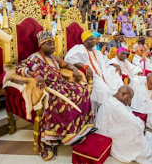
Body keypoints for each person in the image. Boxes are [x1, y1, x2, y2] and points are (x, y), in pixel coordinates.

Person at [15, 30, 93, 160]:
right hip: (50, 89)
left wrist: (74, 69)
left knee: (83, 92)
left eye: (53, 44)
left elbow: (66, 64)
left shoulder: (54, 58)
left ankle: (80, 129)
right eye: (49, 44)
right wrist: (35, 74)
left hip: (62, 84)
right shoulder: (34, 57)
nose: (53, 47)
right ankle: (67, 135)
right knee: (65, 102)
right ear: (41, 45)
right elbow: (20, 68)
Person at [65, 30, 124, 114]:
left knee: (117, 81)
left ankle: (116, 110)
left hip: (103, 74)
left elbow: (105, 61)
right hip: (92, 76)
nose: (93, 41)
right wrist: (85, 66)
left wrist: (114, 64)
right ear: (84, 41)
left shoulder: (96, 52)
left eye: (93, 39)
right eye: (90, 39)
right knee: (106, 91)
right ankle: (105, 114)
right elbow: (69, 59)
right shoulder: (79, 48)